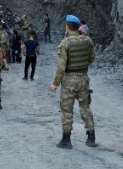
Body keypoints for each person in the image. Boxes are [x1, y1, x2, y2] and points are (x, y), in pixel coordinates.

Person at [50, 15, 96, 149]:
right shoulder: (87, 41)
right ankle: (91, 137)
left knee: (66, 109)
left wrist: (55, 83)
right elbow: (91, 58)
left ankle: (66, 140)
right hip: (83, 79)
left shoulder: (65, 43)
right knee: (85, 107)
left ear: (67, 27)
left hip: (69, 80)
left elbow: (61, 67)